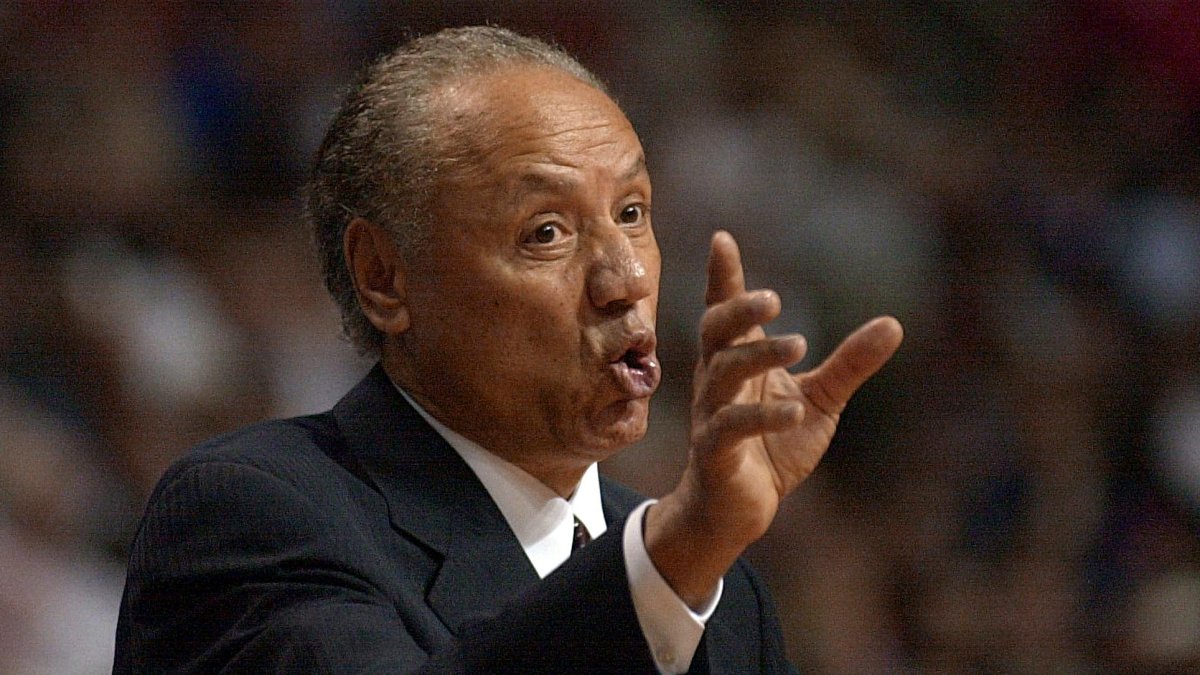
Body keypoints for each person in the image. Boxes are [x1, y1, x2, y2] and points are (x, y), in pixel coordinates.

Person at [113, 26, 903, 673]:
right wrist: (677, 553)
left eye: (632, 212)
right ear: (385, 276)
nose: (627, 277)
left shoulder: (723, 599)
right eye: (546, 232)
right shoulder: (253, 514)